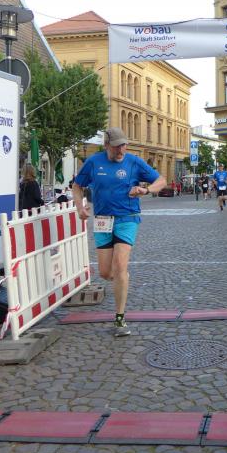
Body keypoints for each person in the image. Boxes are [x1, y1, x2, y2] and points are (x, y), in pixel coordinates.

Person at [72, 127, 166, 337]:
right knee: (106, 272)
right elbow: (77, 186)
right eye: (117, 147)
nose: (121, 150)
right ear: (106, 145)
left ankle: (120, 318)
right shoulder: (94, 162)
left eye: (124, 145)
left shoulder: (134, 162)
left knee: (120, 265)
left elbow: (161, 180)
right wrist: (80, 207)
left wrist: (146, 190)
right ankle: (121, 277)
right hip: (103, 220)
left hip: (127, 218)